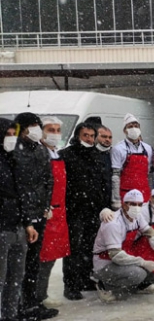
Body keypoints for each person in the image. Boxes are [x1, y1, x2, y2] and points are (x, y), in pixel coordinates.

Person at [13, 112, 59, 320]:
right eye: (31, 125)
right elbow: (16, 186)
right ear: (21, 128)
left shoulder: (41, 151)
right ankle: (15, 306)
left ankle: (31, 303)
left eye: (37, 125)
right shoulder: (13, 150)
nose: (35, 129)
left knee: (32, 262)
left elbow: (48, 180)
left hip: (39, 215)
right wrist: (26, 216)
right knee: (17, 265)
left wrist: (45, 206)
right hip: (20, 216)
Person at [60, 122, 110, 300]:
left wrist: (104, 204)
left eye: (91, 135)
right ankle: (71, 285)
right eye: (85, 135)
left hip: (93, 209)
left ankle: (84, 278)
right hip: (74, 209)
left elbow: (103, 182)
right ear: (77, 136)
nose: (88, 139)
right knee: (74, 248)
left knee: (90, 246)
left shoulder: (96, 155)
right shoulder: (66, 155)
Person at [92, 189, 154, 303]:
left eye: (139, 204)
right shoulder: (113, 223)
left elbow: (147, 230)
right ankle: (106, 287)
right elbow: (115, 255)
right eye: (133, 204)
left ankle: (143, 285)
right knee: (138, 273)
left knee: (148, 243)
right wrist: (142, 262)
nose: (136, 207)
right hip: (106, 263)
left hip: (123, 253)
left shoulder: (137, 217)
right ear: (124, 204)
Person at [0, 118, 39, 321]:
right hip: (3, 228)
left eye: (14, 134)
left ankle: (10, 315)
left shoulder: (13, 159)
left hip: (18, 228)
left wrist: (28, 223)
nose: (11, 139)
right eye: (7, 134)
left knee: (15, 277)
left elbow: (22, 194)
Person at [36, 117, 70, 308]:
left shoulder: (56, 153)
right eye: (50, 129)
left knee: (52, 257)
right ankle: (37, 296)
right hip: (46, 212)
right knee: (42, 258)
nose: (55, 133)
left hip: (59, 211)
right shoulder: (39, 154)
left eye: (57, 130)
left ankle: (41, 293)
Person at [111, 113, 154, 208]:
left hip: (144, 194)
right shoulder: (118, 149)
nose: (134, 128)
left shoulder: (148, 148)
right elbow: (115, 176)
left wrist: (151, 193)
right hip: (126, 194)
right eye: (130, 126)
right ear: (124, 130)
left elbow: (150, 174)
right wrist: (116, 199)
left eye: (136, 126)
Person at [95, 124, 114, 205]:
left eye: (110, 137)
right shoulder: (90, 154)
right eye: (104, 136)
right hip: (94, 198)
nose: (107, 140)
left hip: (110, 197)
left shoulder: (113, 153)